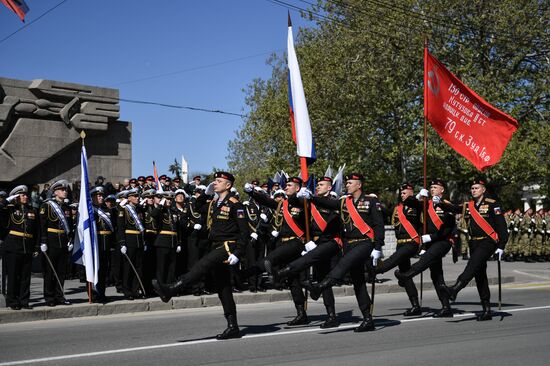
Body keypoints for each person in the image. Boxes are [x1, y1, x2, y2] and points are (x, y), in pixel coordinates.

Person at [153, 172, 249, 340]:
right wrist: (206, 193)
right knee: (223, 288)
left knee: (201, 266)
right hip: (215, 246)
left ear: (228, 185)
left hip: (227, 247)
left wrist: (238, 253)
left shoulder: (236, 205)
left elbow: (244, 232)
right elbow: (197, 207)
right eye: (215, 181)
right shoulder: (213, 203)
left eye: (219, 181)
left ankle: (171, 289)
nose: (215, 183)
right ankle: (233, 326)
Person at [304, 173, 385, 332]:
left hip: (365, 243)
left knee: (344, 263)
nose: (346, 185)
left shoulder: (371, 201)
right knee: (358, 282)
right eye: (346, 182)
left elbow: (379, 225)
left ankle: (321, 286)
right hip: (349, 244)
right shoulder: (344, 202)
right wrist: (311, 198)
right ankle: (368, 319)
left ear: (359, 185)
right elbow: (328, 204)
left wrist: (378, 247)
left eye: (349, 183)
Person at [276, 176, 343, 328]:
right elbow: (295, 209)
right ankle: (302, 311)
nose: (318, 187)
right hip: (310, 244)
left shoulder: (334, 203)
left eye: (321, 185)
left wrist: (316, 243)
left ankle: (331, 315)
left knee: (322, 279)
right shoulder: (310, 202)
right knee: (304, 278)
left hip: (326, 244)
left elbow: (332, 227)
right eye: (317, 185)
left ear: (329, 187)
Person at [243, 177, 310, 326]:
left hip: (297, 242)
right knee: (293, 280)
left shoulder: (303, 202)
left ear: (298, 188)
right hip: (283, 243)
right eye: (285, 185)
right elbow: (266, 201)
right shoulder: (282, 204)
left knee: (269, 259)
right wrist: (252, 192)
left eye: (289, 185)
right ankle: (301, 313)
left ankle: (262, 275)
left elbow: (310, 219)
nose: (286, 187)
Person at [440, 178, 508, 320]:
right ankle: (487, 309)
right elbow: (453, 208)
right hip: (474, 243)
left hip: (488, 241)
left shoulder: (492, 204)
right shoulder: (468, 205)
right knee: (479, 276)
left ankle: (455, 289)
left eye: (476, 188)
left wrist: (501, 246)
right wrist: (438, 202)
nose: (474, 190)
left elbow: (501, 226)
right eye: (472, 188)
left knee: (472, 265)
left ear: (483, 189)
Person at [394, 179, 456, 318]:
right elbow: (409, 203)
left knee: (426, 263)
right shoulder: (426, 204)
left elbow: (448, 229)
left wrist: (431, 238)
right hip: (430, 244)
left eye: (435, 187)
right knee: (436, 276)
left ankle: (405, 276)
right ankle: (446, 307)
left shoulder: (447, 205)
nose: (432, 189)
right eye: (431, 187)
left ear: (442, 190)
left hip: (441, 242)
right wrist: (417, 196)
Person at [367, 183, 422, 316]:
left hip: (412, 243)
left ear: (411, 192)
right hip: (400, 243)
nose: (402, 195)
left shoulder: (417, 205)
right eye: (401, 193)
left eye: (405, 192)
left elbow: (415, 203)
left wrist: (415, 197)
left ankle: (377, 270)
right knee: (406, 274)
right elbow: (385, 212)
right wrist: (375, 202)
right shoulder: (398, 209)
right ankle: (415, 305)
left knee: (394, 259)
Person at [0, 186, 40, 310]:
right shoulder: (9, 209)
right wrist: (6, 201)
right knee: (13, 275)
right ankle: (12, 301)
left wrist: (36, 246)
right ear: (16, 197)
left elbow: (36, 230)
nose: (26, 196)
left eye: (26, 194)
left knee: (25, 276)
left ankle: (24, 301)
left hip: (27, 246)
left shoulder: (32, 210)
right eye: (22, 195)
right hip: (12, 246)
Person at [40, 180, 74, 307]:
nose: (65, 192)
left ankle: (59, 296)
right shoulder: (47, 205)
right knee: (50, 271)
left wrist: (70, 239)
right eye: (62, 190)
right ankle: (49, 297)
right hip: (51, 240)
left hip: (63, 241)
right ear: (55, 192)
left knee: (61, 271)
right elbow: (42, 225)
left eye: (65, 190)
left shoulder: (67, 207)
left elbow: (70, 226)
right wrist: (43, 241)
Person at [117, 188, 146, 300]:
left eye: (137, 196)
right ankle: (127, 290)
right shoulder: (124, 209)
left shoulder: (138, 210)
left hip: (139, 240)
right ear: (129, 198)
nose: (137, 198)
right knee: (129, 267)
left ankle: (135, 290)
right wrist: (122, 243)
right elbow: (120, 227)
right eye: (134, 196)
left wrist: (143, 241)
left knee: (138, 267)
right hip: (129, 240)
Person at [90, 186, 116, 303]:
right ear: (92, 197)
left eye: (102, 195)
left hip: (106, 244)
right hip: (96, 244)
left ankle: (102, 294)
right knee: (95, 270)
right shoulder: (90, 210)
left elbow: (112, 228)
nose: (101, 197)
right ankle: (94, 294)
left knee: (104, 271)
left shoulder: (106, 210)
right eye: (98, 195)